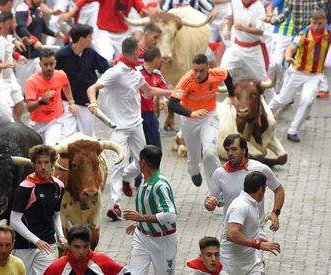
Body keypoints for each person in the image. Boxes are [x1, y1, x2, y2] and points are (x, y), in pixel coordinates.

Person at [87, 37, 172, 220]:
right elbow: (92, 88)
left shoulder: (136, 73)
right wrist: (94, 102)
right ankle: (116, 205)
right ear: (134, 53)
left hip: (136, 125)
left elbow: (149, 91)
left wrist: (171, 92)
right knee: (117, 164)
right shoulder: (115, 72)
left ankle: (127, 178)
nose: (140, 58)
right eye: (139, 55)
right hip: (118, 128)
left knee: (144, 162)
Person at [168, 53, 235, 188]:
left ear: (208, 68)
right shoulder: (186, 81)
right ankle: (193, 170)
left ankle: (217, 188)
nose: (198, 74)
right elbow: (172, 104)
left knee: (209, 152)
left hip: (209, 116)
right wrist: (191, 113)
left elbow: (227, 75)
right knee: (194, 156)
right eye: (195, 70)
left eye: (201, 71)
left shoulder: (216, 74)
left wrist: (232, 95)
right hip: (189, 120)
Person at [268, 9, 331, 142]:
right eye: (314, 23)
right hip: (297, 71)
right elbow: (290, 49)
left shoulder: (329, 34)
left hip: (315, 75)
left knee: (307, 101)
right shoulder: (304, 33)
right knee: (282, 99)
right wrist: (289, 57)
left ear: (325, 22)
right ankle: (263, 115)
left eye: (320, 23)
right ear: (311, 21)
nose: (317, 27)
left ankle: (293, 131)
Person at [205, 134, 285, 237]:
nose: (230, 153)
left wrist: (275, 212)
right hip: (230, 232)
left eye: (234, 149)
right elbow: (210, 204)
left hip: (256, 232)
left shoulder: (260, 169)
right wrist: (209, 204)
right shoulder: (220, 173)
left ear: (244, 150)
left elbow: (279, 190)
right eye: (227, 150)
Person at [10, 144, 68, 275]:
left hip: (48, 246)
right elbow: (14, 220)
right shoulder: (25, 187)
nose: (43, 167)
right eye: (39, 162)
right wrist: (36, 241)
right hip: (24, 247)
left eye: (46, 162)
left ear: (52, 163)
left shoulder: (59, 186)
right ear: (34, 164)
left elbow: (56, 214)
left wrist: (61, 236)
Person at [123, 145, 177, 275]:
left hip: (163, 241)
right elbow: (150, 209)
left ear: (143, 163)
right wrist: (140, 223)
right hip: (141, 237)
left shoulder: (160, 185)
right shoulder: (144, 180)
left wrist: (140, 218)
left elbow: (170, 215)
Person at [222, 171, 281, 274]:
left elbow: (244, 231)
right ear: (261, 189)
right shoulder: (240, 206)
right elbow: (232, 234)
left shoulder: (251, 203)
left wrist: (256, 238)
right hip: (234, 266)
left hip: (252, 263)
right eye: (265, 188)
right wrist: (258, 244)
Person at [55, 23, 109, 137]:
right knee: (66, 134)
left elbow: (105, 68)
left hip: (86, 102)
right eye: (90, 37)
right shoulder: (61, 55)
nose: (91, 39)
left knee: (87, 135)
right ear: (81, 39)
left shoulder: (91, 53)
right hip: (66, 101)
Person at [59, 0, 146, 62]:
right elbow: (84, 0)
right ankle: (99, 85)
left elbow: (143, 10)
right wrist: (70, 13)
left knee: (123, 63)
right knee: (106, 58)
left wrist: (151, 13)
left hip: (122, 34)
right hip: (104, 32)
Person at [25, 49, 77, 146]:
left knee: (50, 147)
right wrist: (41, 101)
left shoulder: (61, 75)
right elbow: (29, 107)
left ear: (55, 63)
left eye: (51, 64)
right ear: (40, 64)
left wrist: (71, 102)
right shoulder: (32, 81)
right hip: (36, 123)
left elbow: (66, 85)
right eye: (45, 64)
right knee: (34, 153)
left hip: (54, 121)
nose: (49, 68)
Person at [15, 0, 63, 92]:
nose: (41, 1)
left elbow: (42, 27)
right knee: (23, 90)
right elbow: (21, 29)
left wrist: (55, 34)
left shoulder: (38, 9)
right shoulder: (22, 10)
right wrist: (34, 41)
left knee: (41, 84)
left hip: (37, 56)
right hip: (26, 57)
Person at [44, 224, 130, 274]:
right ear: (69, 245)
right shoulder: (56, 269)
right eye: (77, 247)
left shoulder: (103, 261)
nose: (81, 252)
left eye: (86, 246)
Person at [221, 0, 269, 84]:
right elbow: (231, 16)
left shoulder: (259, 7)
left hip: (253, 50)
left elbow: (260, 31)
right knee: (222, 71)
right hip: (237, 46)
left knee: (263, 80)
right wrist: (228, 30)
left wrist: (244, 28)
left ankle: (272, 97)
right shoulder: (235, 2)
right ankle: (232, 93)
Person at [0, 10, 26, 122]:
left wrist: (17, 56)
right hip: (1, 80)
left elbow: (9, 47)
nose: (15, 25)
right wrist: (8, 64)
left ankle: (15, 128)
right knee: (7, 111)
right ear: (8, 24)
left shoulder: (8, 38)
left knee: (20, 105)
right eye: (14, 22)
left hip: (11, 77)